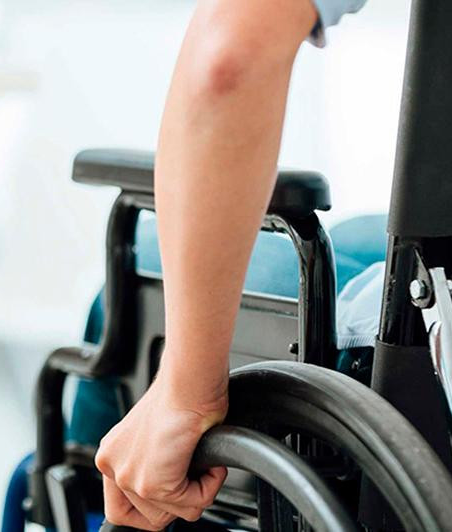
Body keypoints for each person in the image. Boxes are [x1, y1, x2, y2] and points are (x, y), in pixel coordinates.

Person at [93, 0, 367, 529]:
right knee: (360, 236)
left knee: (135, 271)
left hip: (434, 331)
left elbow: (229, 60)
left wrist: (186, 393)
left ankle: (101, 501)